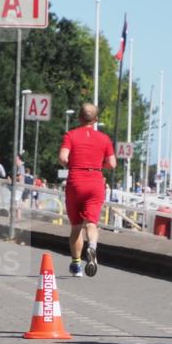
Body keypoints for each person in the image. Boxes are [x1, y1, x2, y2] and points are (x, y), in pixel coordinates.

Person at [58, 104, 116, 278]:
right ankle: (92, 246)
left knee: (76, 227)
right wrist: (100, 165)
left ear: (79, 118)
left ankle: (76, 266)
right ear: (96, 119)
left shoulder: (71, 135)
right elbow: (112, 164)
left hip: (76, 180)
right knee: (91, 223)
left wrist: (70, 165)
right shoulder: (104, 139)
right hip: (95, 181)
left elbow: (62, 157)